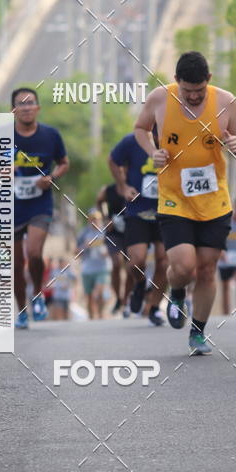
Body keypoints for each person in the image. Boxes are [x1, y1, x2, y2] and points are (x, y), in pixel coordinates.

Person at [134, 51, 236, 355]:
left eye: (199, 91)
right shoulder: (160, 98)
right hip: (175, 199)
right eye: (187, 91)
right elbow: (140, 128)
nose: (194, 96)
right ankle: (176, 292)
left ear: (208, 81)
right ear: (176, 82)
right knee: (184, 266)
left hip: (214, 202)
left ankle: (198, 332)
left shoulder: (225, 101)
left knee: (207, 268)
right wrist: (152, 151)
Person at [12, 88, 69, 329]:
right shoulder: (3, 136)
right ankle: (22, 311)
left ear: (37, 108)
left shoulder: (50, 135)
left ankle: (37, 294)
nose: (26, 107)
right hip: (11, 204)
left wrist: (52, 177)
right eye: (21, 104)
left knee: (34, 253)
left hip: (40, 202)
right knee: (15, 264)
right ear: (13, 110)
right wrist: (2, 172)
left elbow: (64, 163)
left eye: (30, 103)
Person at [109, 130, 167, 326]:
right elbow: (112, 161)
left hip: (166, 212)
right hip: (137, 211)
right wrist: (123, 187)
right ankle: (140, 283)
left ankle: (154, 307)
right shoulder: (133, 141)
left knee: (164, 262)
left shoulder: (177, 137)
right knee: (136, 261)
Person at [96, 182, 131, 315]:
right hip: (113, 232)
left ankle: (126, 300)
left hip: (132, 231)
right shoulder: (108, 190)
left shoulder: (135, 185)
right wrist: (105, 218)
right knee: (116, 263)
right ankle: (118, 297)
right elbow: (99, 202)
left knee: (131, 267)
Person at [77, 209, 109, 319]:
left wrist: (107, 251)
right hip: (87, 268)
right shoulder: (83, 233)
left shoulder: (105, 232)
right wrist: (84, 247)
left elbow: (114, 247)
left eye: (97, 219)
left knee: (98, 293)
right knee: (89, 296)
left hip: (102, 267)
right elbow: (75, 251)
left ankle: (100, 315)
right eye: (92, 219)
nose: (95, 221)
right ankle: (91, 318)